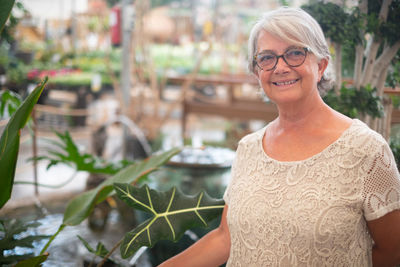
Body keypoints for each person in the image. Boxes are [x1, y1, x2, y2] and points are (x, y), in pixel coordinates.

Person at [159, 7, 400, 266]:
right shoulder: (249, 147)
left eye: (295, 53)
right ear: (257, 72)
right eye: (267, 58)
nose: (280, 67)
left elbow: (393, 251)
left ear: (321, 66)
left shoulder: (365, 149)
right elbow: (226, 239)